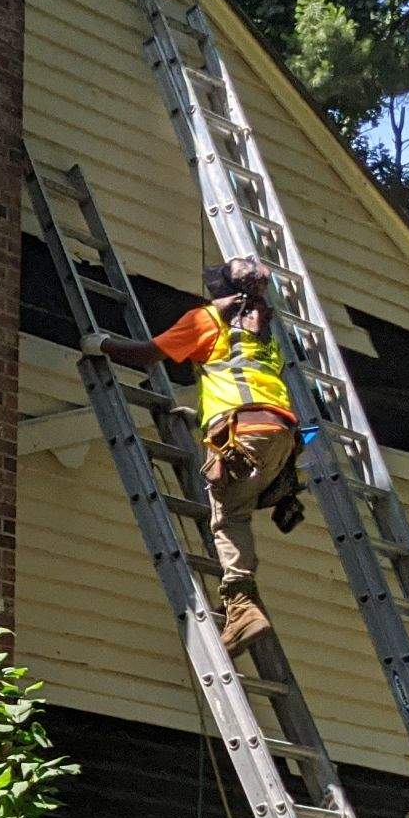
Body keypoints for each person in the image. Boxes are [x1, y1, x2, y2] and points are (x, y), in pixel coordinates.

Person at [87, 256, 303, 651]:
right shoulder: (266, 329)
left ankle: (241, 607)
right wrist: (203, 418)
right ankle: (241, 602)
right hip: (281, 434)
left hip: (244, 431)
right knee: (240, 503)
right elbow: (242, 376)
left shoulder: (209, 319)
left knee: (229, 518)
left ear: (221, 289)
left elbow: (145, 355)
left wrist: (101, 344)